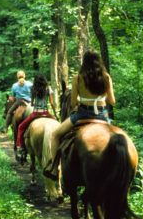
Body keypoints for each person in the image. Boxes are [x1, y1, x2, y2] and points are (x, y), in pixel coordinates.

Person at [43, 50, 116, 180]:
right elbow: (112, 101)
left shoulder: (78, 77)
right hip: (103, 115)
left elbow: (72, 102)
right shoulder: (106, 77)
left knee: (55, 135)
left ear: (84, 62)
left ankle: (54, 168)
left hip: (83, 114)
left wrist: (82, 100)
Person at [16, 74, 57, 159]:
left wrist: (34, 103)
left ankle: (20, 147)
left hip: (35, 114)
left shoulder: (33, 89)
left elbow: (32, 103)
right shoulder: (48, 89)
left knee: (21, 127)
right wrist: (55, 114)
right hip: (46, 113)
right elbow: (52, 103)